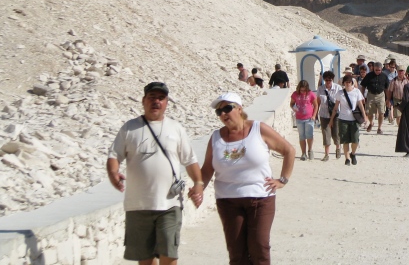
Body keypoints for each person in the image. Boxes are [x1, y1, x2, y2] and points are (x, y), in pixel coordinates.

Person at [107, 82, 204, 265]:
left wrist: (198, 183)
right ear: (143, 100)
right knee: (145, 259)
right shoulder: (129, 128)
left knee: (169, 254)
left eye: (161, 98)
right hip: (138, 206)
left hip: (169, 204)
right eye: (152, 97)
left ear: (166, 103)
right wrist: (113, 172)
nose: (156, 101)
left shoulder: (175, 128)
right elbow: (114, 155)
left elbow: (190, 160)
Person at [201, 92, 295, 265]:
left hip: (260, 198)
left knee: (259, 248)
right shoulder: (215, 137)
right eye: (219, 111)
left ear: (239, 108)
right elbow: (207, 169)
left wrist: (283, 180)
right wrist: (198, 189)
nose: (223, 114)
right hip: (228, 201)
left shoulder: (258, 129)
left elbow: (289, 150)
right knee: (237, 253)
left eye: (227, 108)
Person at [328, 75, 367, 165]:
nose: (348, 84)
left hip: (354, 119)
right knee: (345, 140)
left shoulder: (356, 92)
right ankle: (347, 158)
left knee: (355, 140)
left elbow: (361, 105)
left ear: (352, 83)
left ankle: (353, 153)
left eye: (349, 82)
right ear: (344, 83)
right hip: (343, 119)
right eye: (346, 82)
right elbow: (335, 107)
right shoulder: (340, 93)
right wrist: (331, 120)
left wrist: (364, 116)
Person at [291, 80, 318, 161]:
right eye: (301, 90)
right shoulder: (295, 94)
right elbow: (291, 103)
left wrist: (314, 115)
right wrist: (293, 107)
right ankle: (303, 153)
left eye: (304, 90)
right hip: (299, 118)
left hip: (309, 118)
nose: (303, 92)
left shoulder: (311, 94)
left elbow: (316, 105)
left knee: (309, 135)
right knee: (301, 136)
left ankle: (310, 150)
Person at [316, 71, 341, 161]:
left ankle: (338, 148)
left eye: (329, 80)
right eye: (326, 80)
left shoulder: (338, 88)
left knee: (336, 133)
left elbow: (341, 101)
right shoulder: (320, 89)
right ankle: (326, 154)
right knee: (326, 134)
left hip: (336, 115)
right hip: (324, 114)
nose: (328, 82)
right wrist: (316, 114)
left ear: (332, 79)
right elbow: (318, 102)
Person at [361, 61, 390, 134]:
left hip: (381, 95)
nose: (377, 71)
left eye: (379, 70)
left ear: (381, 69)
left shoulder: (384, 76)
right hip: (370, 95)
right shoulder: (368, 75)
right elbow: (363, 86)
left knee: (381, 112)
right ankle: (371, 123)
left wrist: (388, 98)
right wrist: (362, 96)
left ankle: (379, 128)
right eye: (376, 70)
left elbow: (387, 88)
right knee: (369, 112)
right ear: (373, 69)